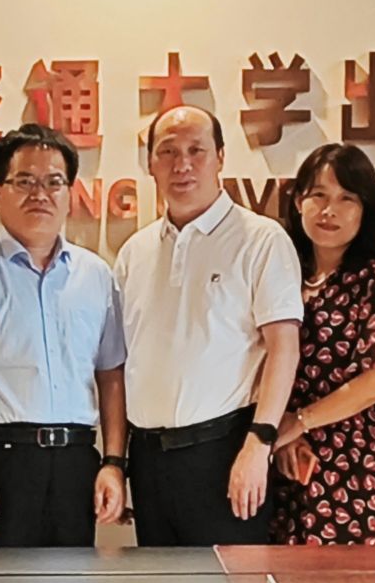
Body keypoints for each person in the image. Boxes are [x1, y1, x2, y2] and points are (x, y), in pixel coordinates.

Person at [0, 123, 127, 547]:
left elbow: (111, 375)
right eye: (24, 181)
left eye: (54, 182)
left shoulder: (96, 275)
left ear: (70, 193)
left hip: (76, 462)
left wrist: (113, 462)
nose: (40, 194)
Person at [113, 105, 302, 546]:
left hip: (227, 452)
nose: (182, 164)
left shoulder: (261, 239)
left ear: (220, 157)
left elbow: (284, 348)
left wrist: (259, 443)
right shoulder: (135, 252)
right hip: (149, 460)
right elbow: (121, 364)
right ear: (150, 164)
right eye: (168, 152)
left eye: (196, 150)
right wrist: (117, 461)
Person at [270, 143, 375, 545]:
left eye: (347, 198)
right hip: (287, 456)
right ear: (298, 201)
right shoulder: (282, 273)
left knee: (349, 578)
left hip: (356, 461)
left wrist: (300, 421)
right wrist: (285, 433)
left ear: (366, 210)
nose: (329, 210)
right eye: (318, 195)